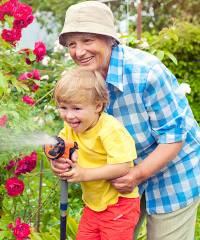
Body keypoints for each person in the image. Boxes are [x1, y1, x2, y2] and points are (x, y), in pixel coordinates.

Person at [51, 1, 200, 240]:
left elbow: (174, 137)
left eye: (87, 40)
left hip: (173, 171)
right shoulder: (81, 80)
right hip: (118, 181)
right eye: (72, 44)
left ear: (110, 39)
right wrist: (63, 158)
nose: (79, 52)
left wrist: (137, 173)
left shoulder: (147, 73)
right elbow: (78, 132)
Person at [53, 68, 140, 240]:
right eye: (63, 107)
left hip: (119, 205)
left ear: (98, 106)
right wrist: (56, 161)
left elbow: (123, 167)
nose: (69, 116)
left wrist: (84, 174)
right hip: (93, 206)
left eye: (77, 108)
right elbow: (59, 147)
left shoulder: (110, 129)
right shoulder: (70, 129)